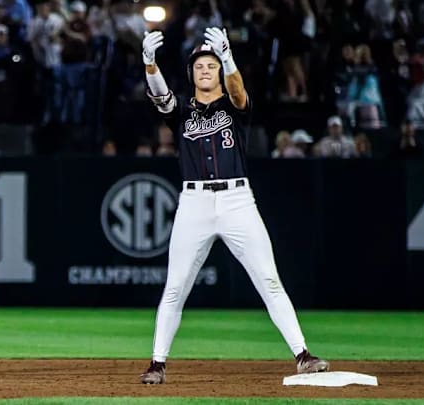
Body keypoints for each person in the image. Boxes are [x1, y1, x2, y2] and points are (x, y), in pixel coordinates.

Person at [139, 27, 329, 384]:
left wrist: (229, 60)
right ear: (192, 73)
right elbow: (161, 95)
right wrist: (149, 63)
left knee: (270, 281)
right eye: (200, 66)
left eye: (211, 65)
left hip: (237, 200)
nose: (205, 70)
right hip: (194, 201)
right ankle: (157, 363)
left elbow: (240, 93)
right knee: (176, 286)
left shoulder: (232, 104)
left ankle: (302, 354)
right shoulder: (182, 112)